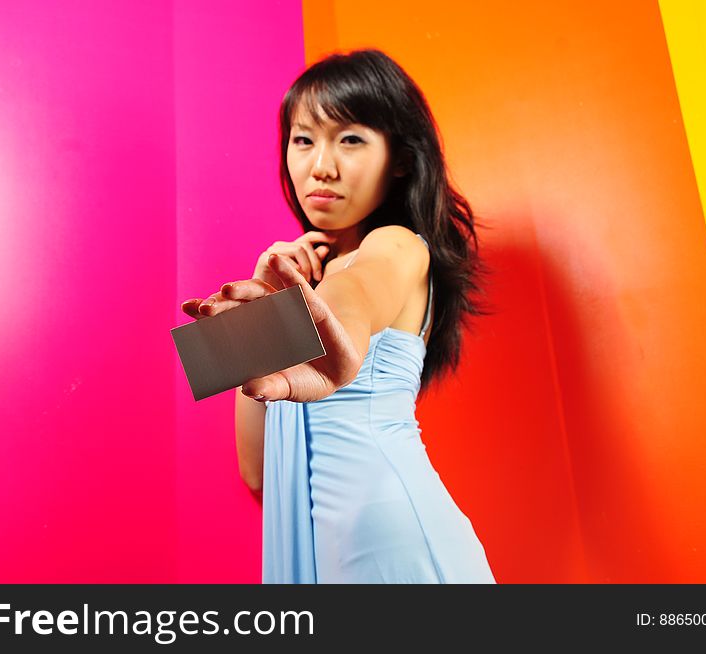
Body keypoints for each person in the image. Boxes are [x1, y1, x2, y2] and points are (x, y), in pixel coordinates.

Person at [181, 49, 495, 583]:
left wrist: (326, 323)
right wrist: (267, 308)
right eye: (303, 140)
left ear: (399, 158)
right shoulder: (301, 283)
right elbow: (256, 472)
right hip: (314, 551)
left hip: (391, 543)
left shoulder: (397, 248)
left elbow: (356, 296)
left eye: (350, 139)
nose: (320, 166)